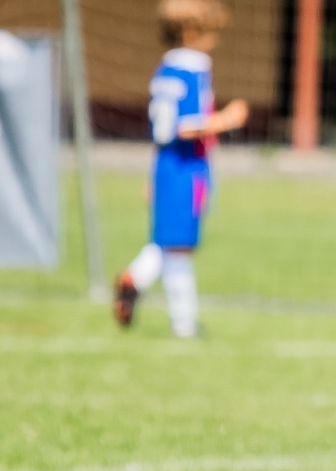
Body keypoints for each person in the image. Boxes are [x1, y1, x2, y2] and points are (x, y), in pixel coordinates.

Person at [112, 0, 248, 338]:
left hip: (165, 163)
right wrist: (227, 119)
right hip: (186, 166)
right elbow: (187, 126)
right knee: (178, 245)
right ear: (190, 31)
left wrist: (151, 174)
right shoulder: (193, 67)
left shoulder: (165, 69)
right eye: (210, 32)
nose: (215, 40)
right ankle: (143, 288)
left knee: (173, 243)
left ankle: (180, 319)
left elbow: (162, 128)